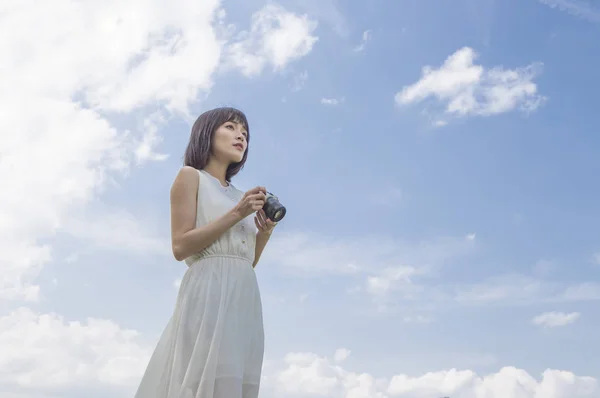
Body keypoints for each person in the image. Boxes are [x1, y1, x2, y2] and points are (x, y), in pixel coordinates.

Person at [135, 107, 276, 398]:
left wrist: (265, 232)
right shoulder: (190, 177)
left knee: (233, 382)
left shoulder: (241, 197)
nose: (240, 136)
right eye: (230, 127)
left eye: (245, 133)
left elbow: (248, 262)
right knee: (198, 378)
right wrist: (237, 213)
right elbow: (181, 246)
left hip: (244, 296)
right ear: (206, 133)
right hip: (208, 289)